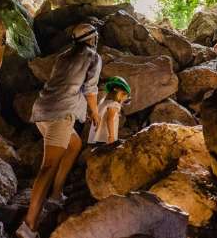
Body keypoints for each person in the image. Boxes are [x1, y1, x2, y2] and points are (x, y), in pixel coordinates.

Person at [16, 23, 102, 238]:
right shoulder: (93, 56)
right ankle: (28, 225)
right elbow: (90, 89)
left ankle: (56, 194)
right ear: (91, 39)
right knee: (48, 167)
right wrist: (95, 113)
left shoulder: (64, 56)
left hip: (42, 110)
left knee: (74, 145)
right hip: (61, 115)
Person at [88, 76, 131, 145]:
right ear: (121, 94)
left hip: (97, 136)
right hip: (105, 136)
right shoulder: (114, 104)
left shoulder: (104, 102)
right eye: (125, 95)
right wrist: (111, 136)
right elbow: (109, 119)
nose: (125, 99)